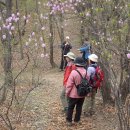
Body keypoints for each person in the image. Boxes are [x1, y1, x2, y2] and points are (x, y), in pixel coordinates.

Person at [66, 57, 88, 126]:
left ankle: (69, 121)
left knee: (70, 107)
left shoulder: (73, 72)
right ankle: (77, 120)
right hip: (82, 93)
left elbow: (69, 85)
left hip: (73, 94)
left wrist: (67, 92)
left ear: (76, 64)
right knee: (79, 107)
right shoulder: (86, 72)